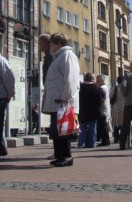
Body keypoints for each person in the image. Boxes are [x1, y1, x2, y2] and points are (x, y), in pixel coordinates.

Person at [41, 33, 80, 167]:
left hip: (62, 100)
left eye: (52, 44)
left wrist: (65, 97)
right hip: (56, 100)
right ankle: (59, 155)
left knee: (63, 131)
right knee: (57, 130)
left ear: (58, 44)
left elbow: (70, 79)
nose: (50, 47)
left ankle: (66, 156)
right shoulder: (59, 57)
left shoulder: (67, 56)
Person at [78, 72, 101, 148]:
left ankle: (81, 143)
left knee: (82, 128)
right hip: (93, 111)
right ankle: (92, 143)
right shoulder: (96, 87)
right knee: (92, 128)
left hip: (83, 110)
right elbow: (99, 100)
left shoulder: (80, 87)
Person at [96, 74, 111, 146]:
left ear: (100, 80)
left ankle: (105, 141)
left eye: (97, 80)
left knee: (103, 126)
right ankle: (106, 140)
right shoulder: (106, 87)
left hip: (102, 109)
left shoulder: (101, 88)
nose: (96, 81)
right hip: (106, 109)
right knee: (104, 126)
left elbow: (101, 100)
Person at [111, 76, 125, 143]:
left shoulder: (115, 88)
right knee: (123, 123)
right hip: (123, 107)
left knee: (116, 123)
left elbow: (110, 96)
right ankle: (123, 137)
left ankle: (116, 138)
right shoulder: (125, 87)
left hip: (116, 108)